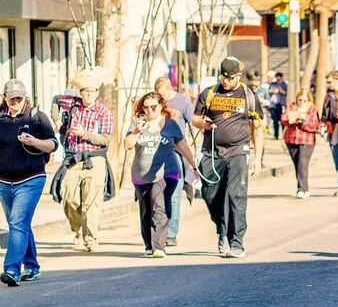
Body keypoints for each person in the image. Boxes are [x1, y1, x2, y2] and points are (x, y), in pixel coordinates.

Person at [192, 56, 265, 258]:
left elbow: (257, 129)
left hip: (238, 151)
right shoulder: (209, 93)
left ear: (238, 76)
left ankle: (236, 242)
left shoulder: (248, 96)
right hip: (212, 152)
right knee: (209, 195)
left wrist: (257, 158)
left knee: (236, 195)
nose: (225, 81)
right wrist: (203, 124)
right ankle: (221, 229)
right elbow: (195, 118)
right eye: (223, 77)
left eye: (230, 78)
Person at [124, 92, 197, 258]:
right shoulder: (137, 122)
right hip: (141, 175)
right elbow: (127, 145)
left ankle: (159, 246)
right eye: (146, 107)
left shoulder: (170, 124)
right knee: (145, 211)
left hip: (166, 173)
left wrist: (194, 166)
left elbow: (183, 146)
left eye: (153, 107)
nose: (149, 111)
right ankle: (149, 245)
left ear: (161, 106)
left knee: (160, 206)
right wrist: (136, 131)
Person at [0, 79, 58, 286]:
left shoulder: (36, 117)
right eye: (12, 97)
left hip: (31, 178)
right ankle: (32, 266)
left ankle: (12, 269)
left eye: (19, 97)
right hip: (5, 181)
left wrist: (34, 141)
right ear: (5, 98)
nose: (16, 100)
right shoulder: (0, 118)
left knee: (17, 222)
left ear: (25, 96)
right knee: (19, 224)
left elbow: (53, 144)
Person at [52, 69, 114, 252]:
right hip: (73, 157)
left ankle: (90, 239)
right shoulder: (73, 104)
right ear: (81, 92)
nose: (89, 94)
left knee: (91, 201)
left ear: (97, 93)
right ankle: (77, 229)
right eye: (86, 91)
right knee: (69, 197)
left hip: (95, 159)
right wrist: (56, 121)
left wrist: (84, 134)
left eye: (93, 91)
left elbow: (105, 139)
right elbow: (55, 99)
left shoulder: (103, 112)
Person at [154, 76, 194, 247]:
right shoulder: (155, 103)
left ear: (170, 87)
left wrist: (194, 152)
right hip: (156, 151)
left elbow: (193, 124)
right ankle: (157, 231)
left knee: (174, 195)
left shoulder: (183, 102)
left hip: (177, 151)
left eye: (163, 94)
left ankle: (171, 233)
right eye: (158, 95)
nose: (161, 98)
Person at [282, 90, 320, 198]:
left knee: (302, 163)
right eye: (300, 99)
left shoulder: (312, 109)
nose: (301, 102)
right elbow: (284, 119)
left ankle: (302, 189)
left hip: (306, 140)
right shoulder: (291, 107)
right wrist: (292, 119)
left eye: (304, 100)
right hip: (291, 139)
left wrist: (304, 122)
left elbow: (315, 125)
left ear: (308, 100)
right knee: (297, 165)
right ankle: (302, 187)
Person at [268, 72, 288, 139]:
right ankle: (276, 135)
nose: (277, 78)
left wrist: (281, 91)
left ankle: (283, 136)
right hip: (274, 105)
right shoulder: (273, 84)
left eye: (279, 76)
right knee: (275, 121)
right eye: (277, 76)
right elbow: (269, 90)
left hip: (281, 104)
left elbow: (286, 93)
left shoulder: (284, 84)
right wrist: (273, 91)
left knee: (282, 121)